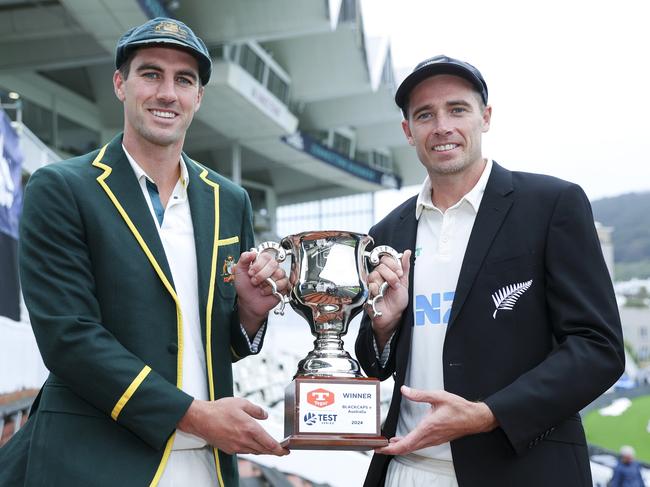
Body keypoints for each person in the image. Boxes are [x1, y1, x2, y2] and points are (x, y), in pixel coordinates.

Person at [0, 17, 288, 487]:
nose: (167, 93)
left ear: (199, 96)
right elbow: (69, 338)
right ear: (120, 84)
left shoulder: (228, 199)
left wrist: (249, 317)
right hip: (94, 463)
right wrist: (194, 416)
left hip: (206, 466)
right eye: (151, 74)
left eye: (184, 80)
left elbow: (209, 343)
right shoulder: (63, 187)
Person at [355, 55, 625, 487]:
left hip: (520, 469)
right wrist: (383, 327)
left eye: (457, 109)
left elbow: (598, 348)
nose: (442, 126)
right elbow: (374, 363)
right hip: (406, 469)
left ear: (486, 117)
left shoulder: (551, 204)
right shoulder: (386, 231)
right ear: (408, 131)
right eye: (425, 115)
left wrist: (488, 414)